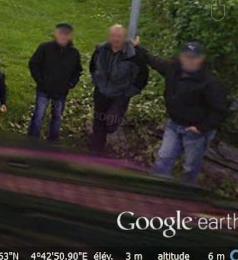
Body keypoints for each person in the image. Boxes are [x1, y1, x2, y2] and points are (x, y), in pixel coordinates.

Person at [134, 40, 227, 185]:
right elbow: (154, 61)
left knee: (190, 166)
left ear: (201, 59)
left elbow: (219, 110)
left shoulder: (209, 83)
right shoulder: (173, 69)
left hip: (195, 132)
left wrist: (200, 128)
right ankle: (155, 188)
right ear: (181, 57)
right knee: (164, 158)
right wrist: (137, 47)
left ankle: (185, 195)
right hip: (174, 124)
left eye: (193, 57)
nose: (189, 60)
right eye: (186, 56)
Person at [89, 25, 149, 154]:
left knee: (110, 124)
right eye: (113, 36)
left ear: (125, 38)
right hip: (101, 92)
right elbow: (93, 66)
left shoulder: (133, 55)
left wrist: (128, 93)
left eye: (119, 36)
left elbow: (142, 77)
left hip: (120, 95)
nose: (116, 39)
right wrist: (97, 82)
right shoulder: (100, 50)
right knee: (99, 121)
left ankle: (106, 134)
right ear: (108, 36)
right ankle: (96, 151)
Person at [27, 23, 83, 142]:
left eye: (65, 35)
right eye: (60, 34)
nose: (63, 37)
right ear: (56, 34)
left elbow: (77, 70)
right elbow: (33, 64)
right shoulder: (45, 48)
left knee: (57, 117)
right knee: (39, 115)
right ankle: (32, 140)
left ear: (70, 36)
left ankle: (52, 141)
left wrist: (71, 83)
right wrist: (40, 80)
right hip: (44, 88)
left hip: (61, 91)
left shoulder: (74, 53)